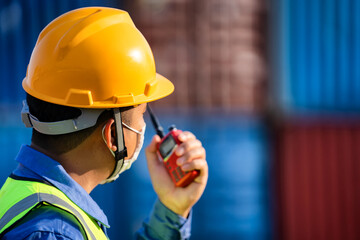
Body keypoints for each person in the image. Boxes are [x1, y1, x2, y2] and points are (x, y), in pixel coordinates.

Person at [0, 7, 208, 240]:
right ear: (112, 134)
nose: (142, 128)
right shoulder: (55, 232)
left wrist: (172, 209)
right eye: (141, 115)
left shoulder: (24, 197)